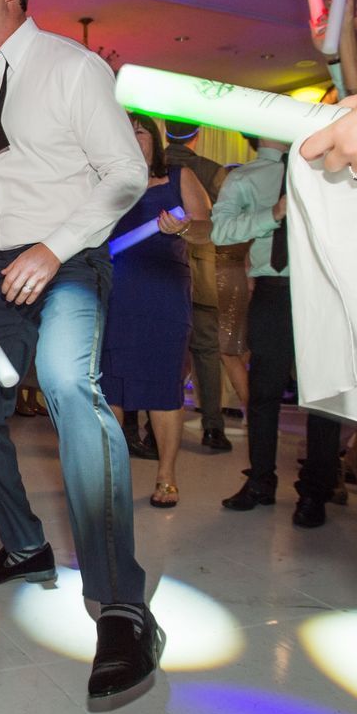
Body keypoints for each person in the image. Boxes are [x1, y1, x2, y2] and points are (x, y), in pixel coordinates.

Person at [0, 0, 160, 704]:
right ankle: (25, 542)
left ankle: (121, 606)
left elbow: (126, 172)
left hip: (70, 262)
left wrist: (54, 248)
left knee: (68, 387)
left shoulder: (72, 68)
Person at [213, 138, 341, 527]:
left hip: (325, 291)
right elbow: (221, 231)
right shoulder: (246, 178)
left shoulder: (333, 169)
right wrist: (273, 213)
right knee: (264, 394)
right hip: (274, 291)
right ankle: (260, 482)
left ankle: (316, 492)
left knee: (322, 398)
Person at [102, 114, 212, 508]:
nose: (132, 137)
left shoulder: (179, 177)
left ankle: (166, 475)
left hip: (162, 293)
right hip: (114, 292)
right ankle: (110, 475)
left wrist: (180, 229)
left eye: (140, 131)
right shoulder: (105, 182)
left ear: (155, 140)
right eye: (125, 131)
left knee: (163, 384)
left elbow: (207, 229)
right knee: (110, 385)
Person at [162, 124, 231, 451]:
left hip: (161, 267)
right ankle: (213, 427)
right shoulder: (213, 172)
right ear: (197, 134)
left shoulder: (151, 165)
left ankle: (152, 426)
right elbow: (224, 222)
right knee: (206, 351)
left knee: (161, 348)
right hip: (201, 269)